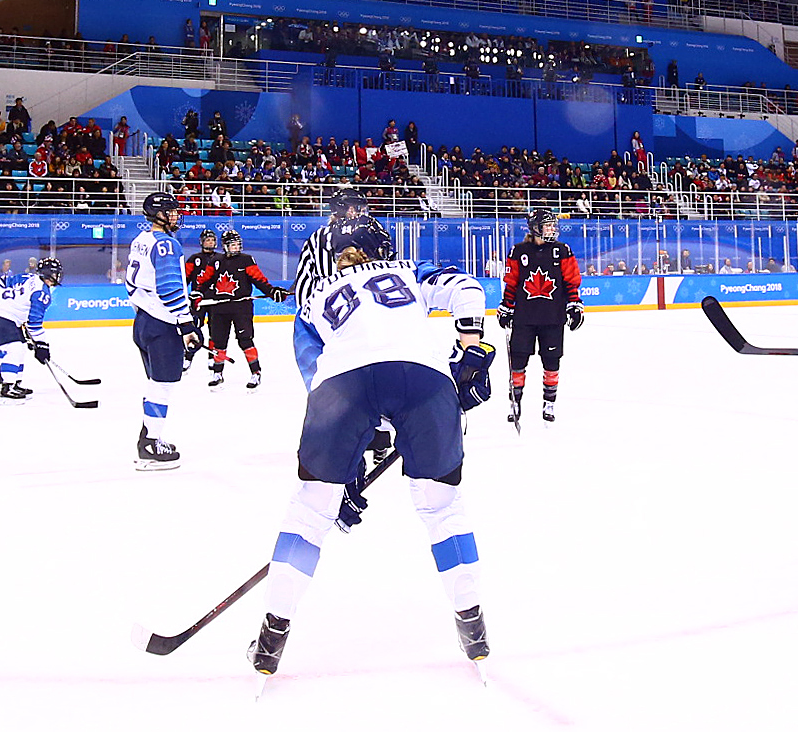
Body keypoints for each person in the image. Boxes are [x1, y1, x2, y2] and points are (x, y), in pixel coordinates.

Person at [246, 202, 496, 679]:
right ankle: (473, 624)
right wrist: (470, 349)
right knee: (443, 508)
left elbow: (316, 376)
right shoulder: (408, 270)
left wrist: (349, 458)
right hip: (424, 378)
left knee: (310, 511)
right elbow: (466, 287)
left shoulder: (314, 302)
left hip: (343, 383)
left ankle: (271, 637)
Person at [126, 190, 202, 469]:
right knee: (163, 385)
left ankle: (148, 434)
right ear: (158, 215)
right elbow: (170, 288)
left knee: (156, 382)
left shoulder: (141, 240)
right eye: (170, 211)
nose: (175, 215)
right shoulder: (166, 245)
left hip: (144, 321)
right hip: (163, 323)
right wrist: (186, 324)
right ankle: (150, 445)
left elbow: (131, 284)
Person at [498, 210, 582, 428]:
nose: (551, 229)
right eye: (547, 226)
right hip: (524, 318)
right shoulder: (518, 251)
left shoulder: (562, 250)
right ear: (535, 228)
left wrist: (574, 305)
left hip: (553, 317)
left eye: (553, 226)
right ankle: (515, 403)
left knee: (551, 362)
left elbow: (571, 281)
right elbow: (512, 282)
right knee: (518, 361)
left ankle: (549, 404)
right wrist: (506, 307)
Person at [199, 230, 291, 389]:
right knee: (219, 342)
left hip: (241, 307)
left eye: (237, 244)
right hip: (219, 308)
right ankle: (217, 373)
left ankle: (255, 373)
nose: (236, 247)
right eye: (232, 245)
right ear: (225, 246)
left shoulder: (246, 260)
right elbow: (204, 282)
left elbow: (259, 280)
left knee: (245, 340)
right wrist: (197, 294)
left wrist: (272, 291)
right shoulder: (215, 260)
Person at [0, 256, 61, 401]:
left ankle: (12, 379)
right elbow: (34, 324)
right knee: (15, 347)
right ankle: (8, 386)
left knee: (21, 346)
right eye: (55, 273)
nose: (58, 277)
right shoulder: (41, 293)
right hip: (0, 315)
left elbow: (0, 281)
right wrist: (42, 346)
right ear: (49, 273)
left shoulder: (28, 277)